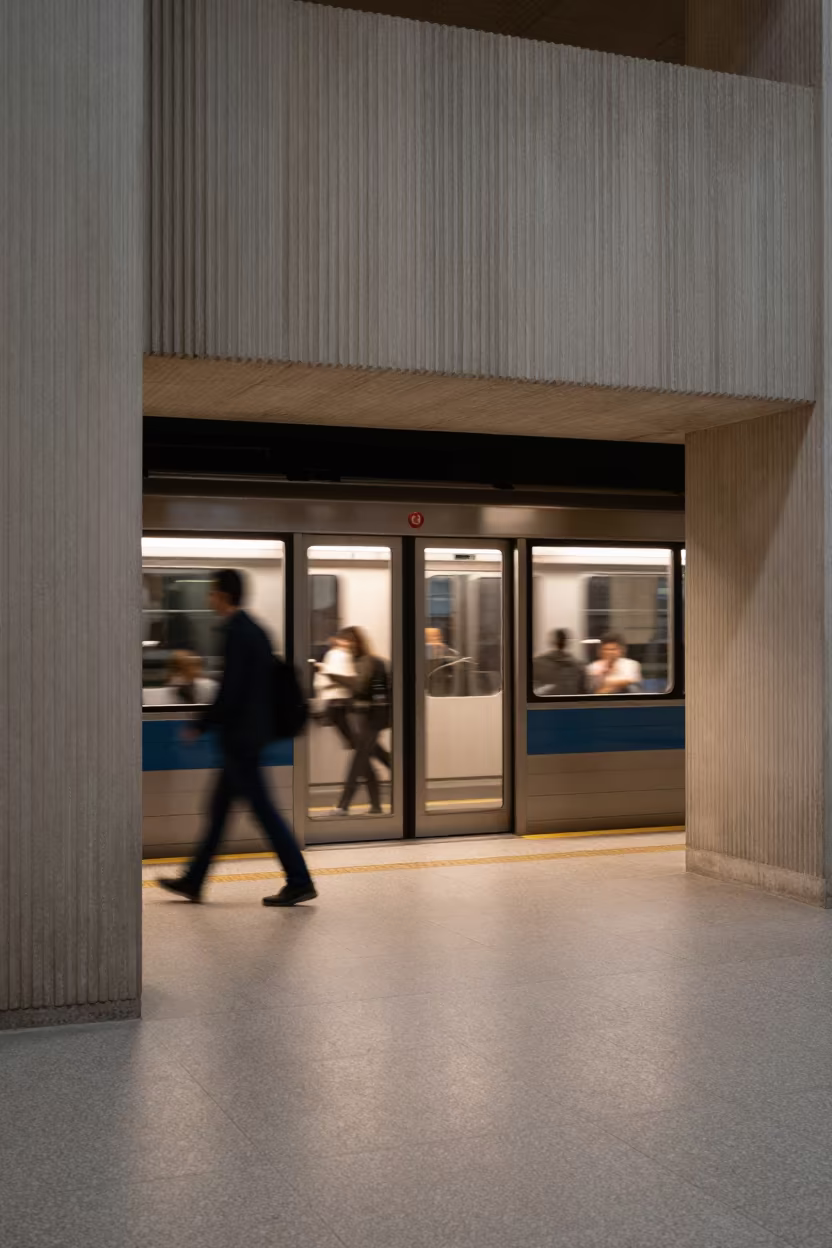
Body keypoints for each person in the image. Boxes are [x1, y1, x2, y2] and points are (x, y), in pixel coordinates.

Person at [159, 569, 316, 906]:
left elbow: (232, 691)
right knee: (218, 812)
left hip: (241, 741)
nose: (208, 598)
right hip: (246, 737)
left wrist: (201, 724)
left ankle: (300, 880)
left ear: (223, 595)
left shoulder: (238, 633)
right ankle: (194, 880)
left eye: (212, 592)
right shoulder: (253, 630)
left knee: (263, 812)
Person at [328, 626, 391, 815]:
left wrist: (331, 675)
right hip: (362, 718)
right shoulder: (352, 661)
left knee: (359, 759)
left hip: (374, 717)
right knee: (371, 759)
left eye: (349, 641)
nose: (346, 645)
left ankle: (343, 804)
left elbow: (360, 687)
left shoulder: (368, 662)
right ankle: (376, 805)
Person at [313, 631, 356, 751]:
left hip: (336, 694)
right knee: (340, 717)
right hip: (338, 694)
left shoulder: (337, 654)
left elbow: (337, 674)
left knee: (338, 716)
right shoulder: (340, 655)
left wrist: (325, 671)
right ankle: (352, 741)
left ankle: (353, 741)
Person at [533, 629, 587, 695]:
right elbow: (582, 692)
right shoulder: (578, 666)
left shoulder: (537, 663)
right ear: (566, 642)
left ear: (551, 641)